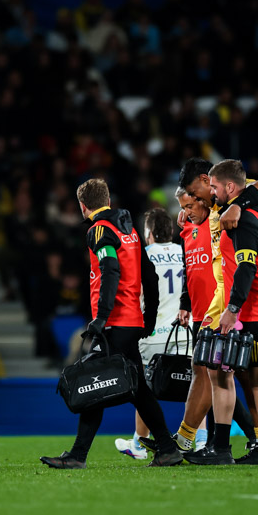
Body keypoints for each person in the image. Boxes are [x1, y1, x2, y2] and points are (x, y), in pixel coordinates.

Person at [41, 179, 182, 469]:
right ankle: (168, 449)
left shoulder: (99, 230)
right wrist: (149, 318)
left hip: (115, 322)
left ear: (83, 206)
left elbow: (109, 269)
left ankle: (78, 456)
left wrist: (101, 317)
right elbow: (150, 276)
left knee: (94, 382)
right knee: (138, 390)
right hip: (131, 321)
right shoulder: (128, 229)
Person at [187, 160, 258, 466]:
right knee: (256, 381)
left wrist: (232, 310)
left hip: (252, 311)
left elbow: (246, 266)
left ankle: (227, 448)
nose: (212, 194)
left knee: (226, 376)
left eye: (214, 188)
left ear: (230, 186)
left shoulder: (241, 218)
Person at [115, 207, 187, 460]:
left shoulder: (142, 254)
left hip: (152, 333)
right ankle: (196, 441)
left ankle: (139, 442)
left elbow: (133, 293)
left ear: (148, 233)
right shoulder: (186, 252)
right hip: (185, 331)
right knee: (195, 386)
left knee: (143, 389)